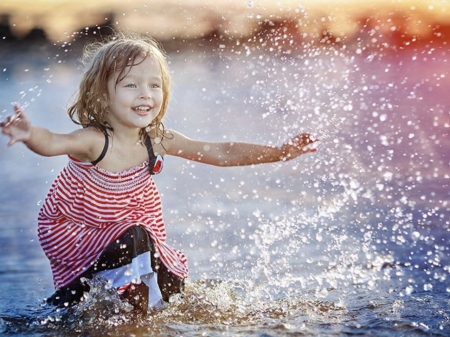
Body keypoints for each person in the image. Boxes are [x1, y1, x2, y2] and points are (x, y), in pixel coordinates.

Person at [1, 32, 318, 313]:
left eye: (154, 85)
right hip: (78, 233)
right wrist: (30, 135)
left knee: (163, 274)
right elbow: (55, 142)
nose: (145, 94)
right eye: (130, 85)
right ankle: (76, 302)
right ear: (102, 96)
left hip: (130, 233)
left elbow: (221, 152)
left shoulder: (156, 139)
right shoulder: (95, 140)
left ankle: (146, 315)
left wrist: (279, 152)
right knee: (134, 237)